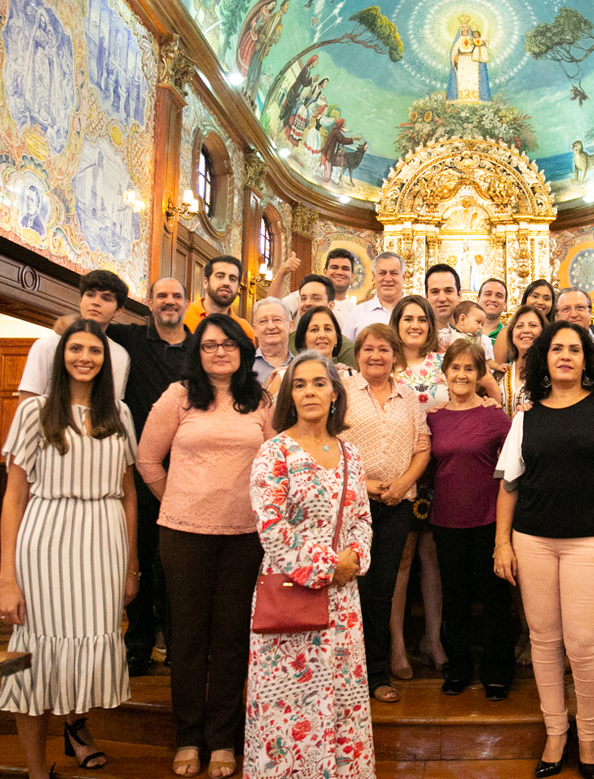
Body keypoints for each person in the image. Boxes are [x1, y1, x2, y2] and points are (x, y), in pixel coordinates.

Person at [494, 322, 594, 779]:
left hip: (590, 543)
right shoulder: (527, 416)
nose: (565, 355)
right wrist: (502, 543)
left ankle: (590, 737)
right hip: (533, 540)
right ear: (544, 357)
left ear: (586, 360)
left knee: (582, 645)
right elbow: (509, 485)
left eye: (574, 349)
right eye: (556, 348)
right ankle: (556, 732)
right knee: (544, 642)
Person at [0, 319, 139, 779]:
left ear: (105, 360)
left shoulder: (120, 413)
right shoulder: (35, 411)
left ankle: (76, 730)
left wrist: (131, 564)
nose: (84, 357)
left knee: (90, 649)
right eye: (76, 349)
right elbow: (14, 496)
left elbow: (129, 494)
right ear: (61, 357)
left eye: (94, 351)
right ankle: (36, 770)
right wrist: (7, 578)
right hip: (47, 539)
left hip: (104, 541)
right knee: (35, 656)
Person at [137, 313, 274, 778]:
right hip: (184, 535)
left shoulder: (260, 400)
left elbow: (277, 462)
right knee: (188, 637)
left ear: (243, 351)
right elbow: (147, 459)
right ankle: (188, 737)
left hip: (245, 536)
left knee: (232, 639)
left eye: (229, 344)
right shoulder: (178, 396)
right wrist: (178, 500)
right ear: (197, 352)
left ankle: (222, 740)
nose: (220, 352)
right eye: (210, 345)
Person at [245, 351, 375, 779]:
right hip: (290, 595)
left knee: (342, 703)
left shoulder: (351, 453)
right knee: (288, 712)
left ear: (335, 393)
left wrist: (354, 558)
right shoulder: (274, 452)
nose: (309, 392)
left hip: (343, 601)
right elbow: (271, 527)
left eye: (319, 383)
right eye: (299, 385)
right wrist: (327, 567)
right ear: (290, 395)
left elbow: (362, 518)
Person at [341, 323, 431, 704]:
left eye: (383, 349)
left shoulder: (409, 398)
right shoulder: (342, 392)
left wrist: (402, 483)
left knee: (383, 592)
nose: (375, 355)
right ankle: (349, 675)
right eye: (368, 349)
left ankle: (376, 674)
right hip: (352, 505)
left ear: (395, 356)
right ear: (357, 354)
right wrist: (367, 485)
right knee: (354, 590)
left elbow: (423, 447)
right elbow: (329, 446)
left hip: (397, 506)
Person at [106, 278, 191, 677]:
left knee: (176, 565)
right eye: (162, 296)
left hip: (188, 469)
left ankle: (176, 642)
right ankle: (138, 643)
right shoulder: (129, 339)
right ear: (149, 302)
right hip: (141, 468)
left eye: (176, 296)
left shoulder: (199, 347)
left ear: (187, 303)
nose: (169, 302)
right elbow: (75, 328)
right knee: (137, 556)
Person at [427, 340, 514, 699]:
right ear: (444, 373)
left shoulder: (495, 416)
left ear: (479, 375)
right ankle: (458, 667)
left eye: (469, 369)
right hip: (446, 521)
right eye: (455, 368)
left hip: (489, 519)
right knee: (455, 598)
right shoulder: (433, 417)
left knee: (495, 598)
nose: (461, 375)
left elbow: (514, 466)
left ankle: (497, 671)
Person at [386, 295, 450, 681]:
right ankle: (396, 644)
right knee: (403, 556)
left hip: (440, 469)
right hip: (400, 470)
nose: (414, 325)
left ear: (430, 325)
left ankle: (433, 640)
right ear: (396, 323)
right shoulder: (386, 364)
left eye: (421, 319)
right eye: (407, 318)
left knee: (433, 555)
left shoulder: (444, 362)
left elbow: (484, 391)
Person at [19, 270, 131, 402]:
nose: (96, 302)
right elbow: (27, 402)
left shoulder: (120, 355)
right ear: (80, 301)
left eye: (106, 298)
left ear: (118, 311)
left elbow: (113, 405)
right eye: (90, 295)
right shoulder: (48, 345)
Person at [274, 247, 358, 330]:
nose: (339, 272)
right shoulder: (303, 296)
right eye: (334, 267)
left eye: (345, 269)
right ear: (325, 272)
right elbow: (274, 308)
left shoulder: (355, 311)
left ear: (352, 275)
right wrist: (282, 273)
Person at [289, 275, 358, 368]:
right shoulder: (287, 341)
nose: (307, 303)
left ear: (331, 305)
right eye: (303, 298)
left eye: (316, 298)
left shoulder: (347, 348)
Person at [185, 255, 257, 343]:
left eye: (232, 279)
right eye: (220, 276)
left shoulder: (245, 330)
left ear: (238, 287)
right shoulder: (183, 315)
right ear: (205, 282)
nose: (226, 283)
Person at [492, 279, 557, 365]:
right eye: (535, 296)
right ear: (525, 299)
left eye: (547, 299)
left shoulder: (556, 335)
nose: (540, 302)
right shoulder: (505, 333)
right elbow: (497, 368)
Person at [344, 252, 406, 341]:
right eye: (382, 273)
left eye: (393, 273)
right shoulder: (357, 313)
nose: (388, 279)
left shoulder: (417, 311)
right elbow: (346, 347)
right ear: (374, 276)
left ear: (404, 276)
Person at [498, 305, 546, 418]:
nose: (526, 330)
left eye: (533, 325)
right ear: (511, 335)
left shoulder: (550, 375)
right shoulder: (500, 373)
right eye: (519, 326)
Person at [251, 297, 291, 385]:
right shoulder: (244, 366)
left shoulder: (300, 365)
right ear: (255, 329)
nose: (270, 326)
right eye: (263, 321)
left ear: (290, 326)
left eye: (276, 320)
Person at [425, 263, 462, 330]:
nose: (442, 299)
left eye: (448, 291)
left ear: (459, 296)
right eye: (435, 292)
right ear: (426, 297)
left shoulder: (474, 335)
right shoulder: (419, 334)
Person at [478, 277, 509, 342]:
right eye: (488, 294)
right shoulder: (464, 332)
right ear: (478, 300)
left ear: (505, 304)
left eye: (499, 296)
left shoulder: (510, 336)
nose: (493, 299)